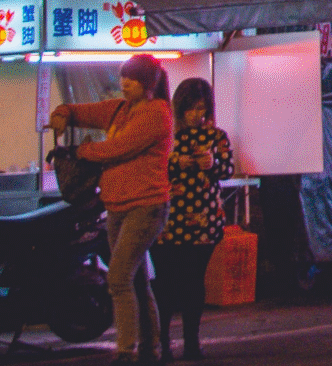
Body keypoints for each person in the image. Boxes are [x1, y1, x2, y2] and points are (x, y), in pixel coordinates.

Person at [49, 54, 174, 363]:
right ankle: (149, 349)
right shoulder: (120, 109)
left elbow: (120, 147)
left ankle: (126, 350)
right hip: (117, 205)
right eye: (123, 77)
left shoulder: (157, 114)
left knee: (118, 277)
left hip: (146, 206)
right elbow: (85, 112)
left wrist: (81, 151)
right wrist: (63, 112)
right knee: (137, 280)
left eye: (131, 79)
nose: (123, 83)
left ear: (148, 85)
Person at [152, 78, 234, 361]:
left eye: (201, 108)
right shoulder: (165, 135)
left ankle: (191, 341)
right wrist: (176, 163)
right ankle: (160, 342)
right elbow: (150, 167)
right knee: (165, 282)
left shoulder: (216, 136)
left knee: (193, 281)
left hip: (204, 221)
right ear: (179, 108)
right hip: (166, 219)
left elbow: (227, 169)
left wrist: (213, 164)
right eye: (189, 108)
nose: (195, 115)